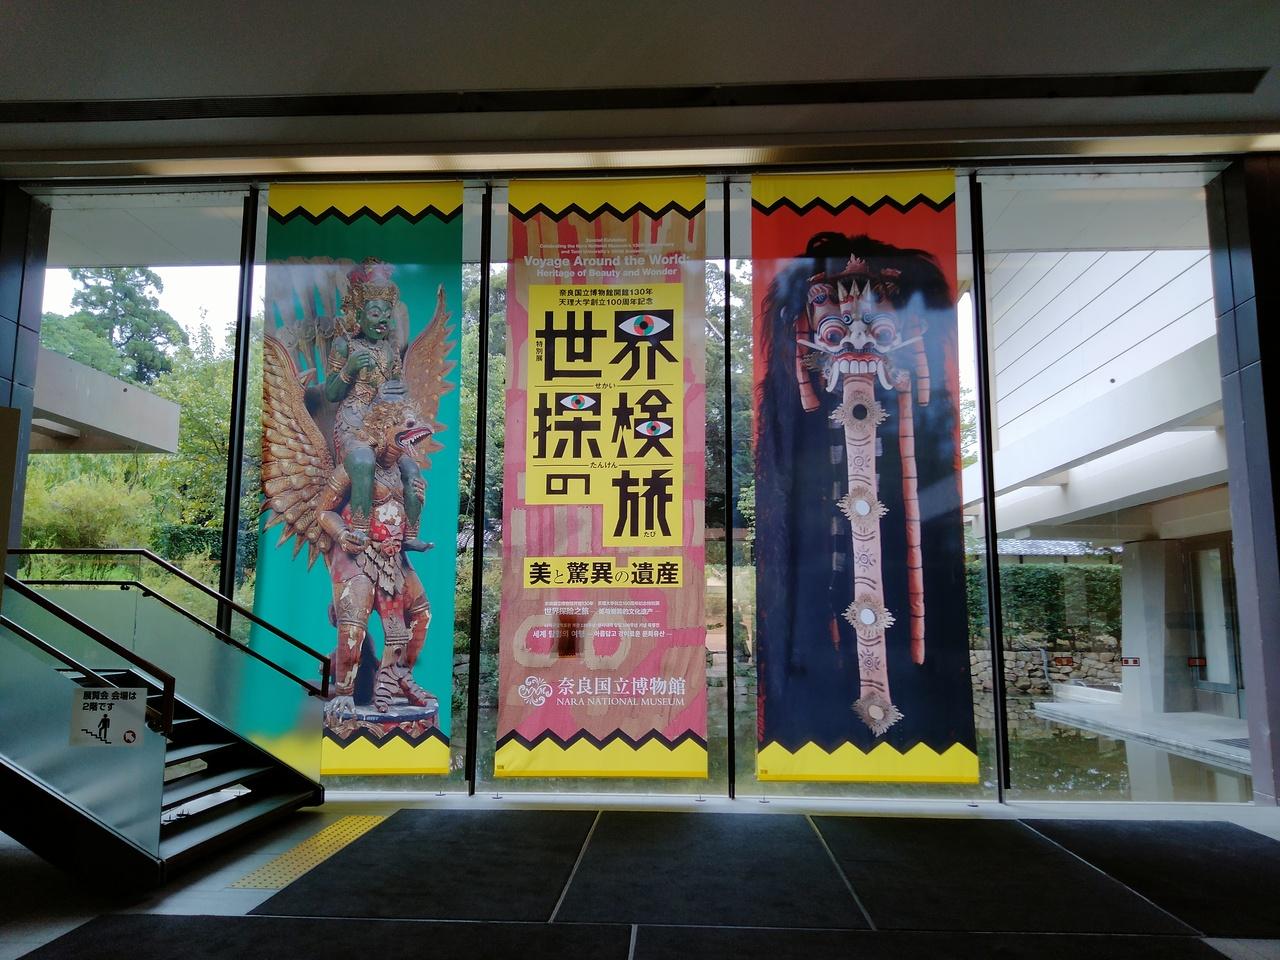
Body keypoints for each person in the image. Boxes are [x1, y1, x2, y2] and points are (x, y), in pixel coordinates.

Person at [324, 259, 426, 552]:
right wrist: (349, 369)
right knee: (363, 461)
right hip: (353, 425)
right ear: (359, 314)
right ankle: (359, 530)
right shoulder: (345, 346)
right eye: (375, 313)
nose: (383, 321)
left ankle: (409, 535)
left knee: (411, 469)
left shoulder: (390, 351)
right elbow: (331, 392)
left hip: (384, 426)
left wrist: (398, 392)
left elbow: (396, 392)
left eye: (387, 315)